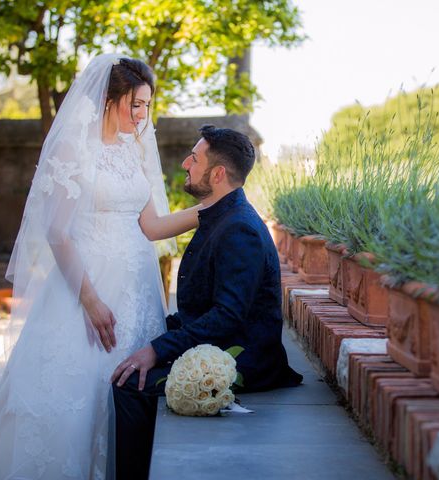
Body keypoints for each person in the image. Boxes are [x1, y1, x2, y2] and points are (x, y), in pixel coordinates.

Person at [0, 54, 201, 479]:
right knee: (76, 389)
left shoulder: (134, 151)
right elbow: (58, 233)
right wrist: (90, 300)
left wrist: (209, 211)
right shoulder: (76, 148)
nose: (141, 115)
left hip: (136, 285)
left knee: (127, 385)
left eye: (147, 105)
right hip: (86, 286)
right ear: (109, 99)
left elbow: (151, 226)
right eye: (135, 104)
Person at [111, 125, 304, 479]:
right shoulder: (220, 215)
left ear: (217, 174)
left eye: (194, 158)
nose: (186, 162)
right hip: (220, 341)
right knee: (131, 360)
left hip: (243, 358)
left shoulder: (238, 228)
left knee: (129, 386)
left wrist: (157, 349)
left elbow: (226, 316)